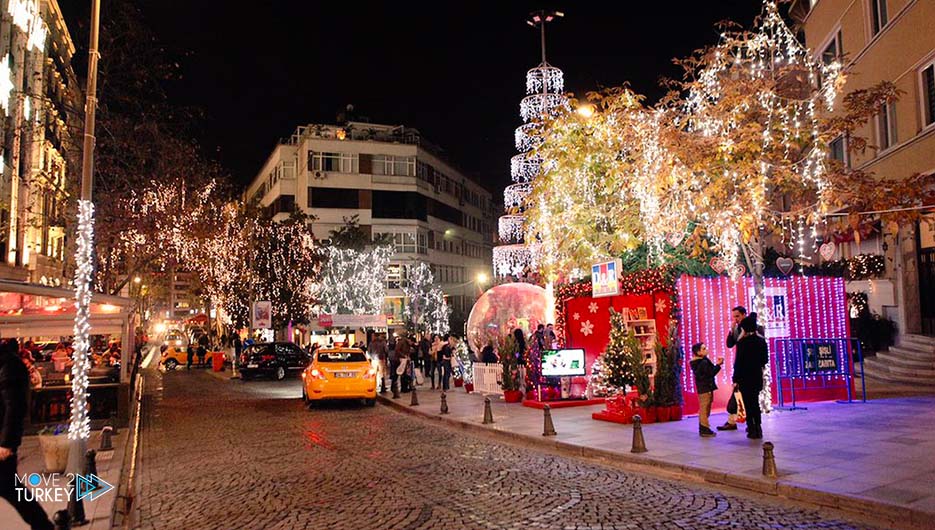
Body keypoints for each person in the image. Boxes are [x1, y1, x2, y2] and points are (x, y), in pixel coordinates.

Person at [0, 339, 55, 530]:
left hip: (1, 443)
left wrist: (7, 443)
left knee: (11, 489)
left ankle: (43, 525)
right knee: (11, 489)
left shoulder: (9, 365)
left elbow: (15, 406)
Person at [733, 313, 769, 440]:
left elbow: (738, 363)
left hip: (744, 377)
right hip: (756, 376)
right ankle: (758, 428)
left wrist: (735, 379)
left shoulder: (742, 343)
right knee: (755, 403)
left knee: (748, 404)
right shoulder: (761, 341)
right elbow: (765, 360)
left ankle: (751, 428)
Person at [690, 342, 723, 438]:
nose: (706, 350)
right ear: (698, 352)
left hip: (705, 387)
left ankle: (704, 427)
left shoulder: (701, 361)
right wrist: (718, 365)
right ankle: (704, 428)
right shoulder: (702, 363)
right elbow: (710, 373)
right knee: (704, 408)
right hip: (705, 388)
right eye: (703, 349)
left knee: (705, 407)